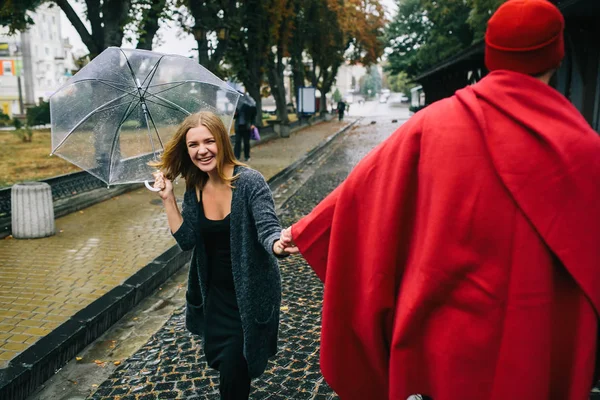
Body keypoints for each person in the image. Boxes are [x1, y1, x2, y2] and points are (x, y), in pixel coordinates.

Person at [279, 1, 600, 399]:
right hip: (541, 347)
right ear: (557, 54)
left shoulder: (433, 125)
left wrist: (304, 229)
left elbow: (365, 188)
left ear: (491, 55)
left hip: (451, 350)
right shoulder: (586, 149)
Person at [151, 111, 290, 399]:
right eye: (193, 145)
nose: (201, 150)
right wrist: (168, 199)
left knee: (234, 370)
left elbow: (268, 227)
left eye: (209, 141)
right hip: (215, 298)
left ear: (223, 142)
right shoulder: (196, 185)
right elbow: (187, 240)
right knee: (229, 368)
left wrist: (277, 244)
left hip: (249, 296)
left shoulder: (250, 182)